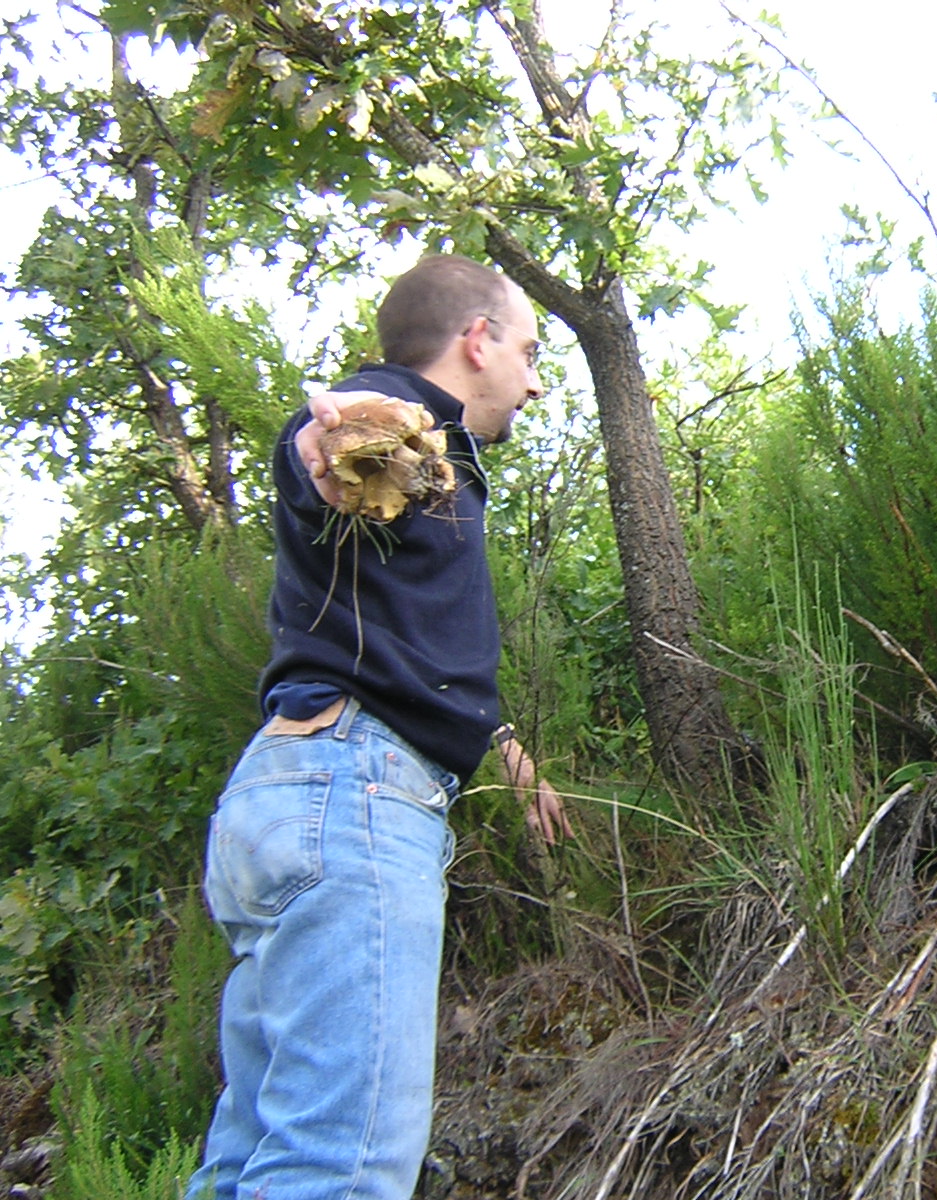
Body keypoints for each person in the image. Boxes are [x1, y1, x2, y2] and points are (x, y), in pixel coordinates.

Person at [187, 254, 572, 1200]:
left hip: (293, 797)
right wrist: (337, 441)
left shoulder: (447, 462)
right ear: (476, 340)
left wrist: (502, 747)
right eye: (528, 353)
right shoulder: (396, 424)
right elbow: (328, 443)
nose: (532, 382)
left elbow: (411, 647)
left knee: (244, 1167)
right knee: (341, 1168)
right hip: (352, 805)